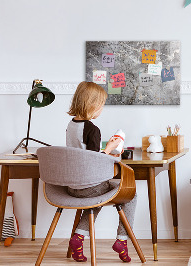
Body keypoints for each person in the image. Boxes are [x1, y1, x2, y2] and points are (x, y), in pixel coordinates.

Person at [66, 81, 136, 263]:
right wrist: (110, 149)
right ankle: (122, 240)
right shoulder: (92, 129)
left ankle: (78, 238)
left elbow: (83, 154)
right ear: (92, 105)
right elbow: (93, 161)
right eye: (101, 105)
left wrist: (105, 149)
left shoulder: (71, 125)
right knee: (131, 194)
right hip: (89, 186)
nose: (102, 109)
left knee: (97, 198)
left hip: (72, 186)